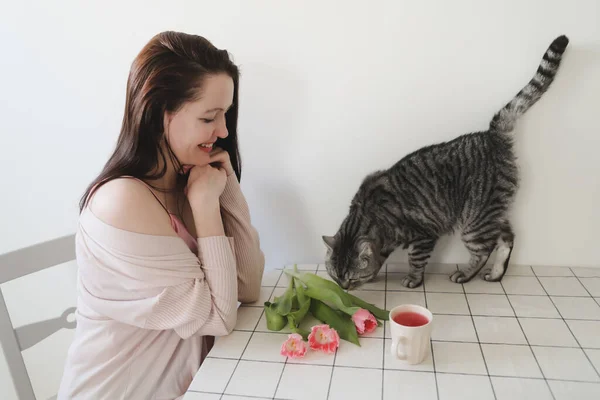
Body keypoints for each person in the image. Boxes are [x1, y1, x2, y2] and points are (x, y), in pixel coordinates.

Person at [58, 31, 265, 400]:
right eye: (209, 118)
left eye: (226, 116)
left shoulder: (188, 179)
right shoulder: (121, 202)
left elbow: (248, 286)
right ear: (160, 113)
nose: (224, 131)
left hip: (196, 387)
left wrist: (225, 178)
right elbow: (219, 318)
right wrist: (204, 207)